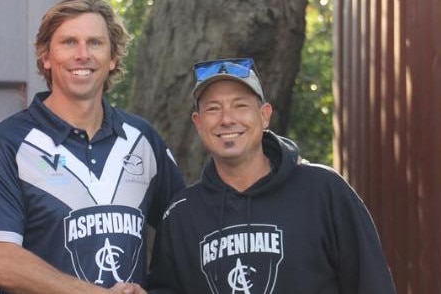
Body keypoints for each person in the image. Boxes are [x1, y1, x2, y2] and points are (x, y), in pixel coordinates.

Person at [0, 1, 184, 293]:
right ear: (45, 56)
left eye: (95, 43)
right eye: (69, 42)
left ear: (113, 58)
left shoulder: (142, 139)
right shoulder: (8, 142)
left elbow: (187, 232)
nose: (83, 55)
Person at [147, 58, 396, 293]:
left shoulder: (324, 191)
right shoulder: (181, 215)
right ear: (198, 123)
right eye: (213, 109)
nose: (227, 119)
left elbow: (372, 283)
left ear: (264, 115)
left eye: (240, 105)